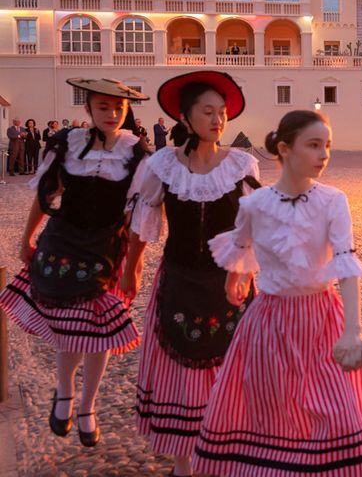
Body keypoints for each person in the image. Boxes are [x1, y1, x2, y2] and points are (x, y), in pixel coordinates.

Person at [192, 110, 362, 476]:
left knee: (338, 411)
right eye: (313, 145)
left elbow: (345, 262)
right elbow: (241, 246)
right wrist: (237, 278)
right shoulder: (254, 204)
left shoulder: (333, 200)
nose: (323, 154)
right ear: (284, 149)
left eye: (327, 146)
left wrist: (353, 329)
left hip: (322, 319)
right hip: (270, 324)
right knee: (274, 414)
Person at [0, 78, 149, 447]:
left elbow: (143, 214)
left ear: (127, 111)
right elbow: (46, 192)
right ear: (88, 109)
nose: (112, 114)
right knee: (70, 329)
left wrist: (134, 267)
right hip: (64, 241)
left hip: (108, 248)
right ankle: (64, 392)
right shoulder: (68, 143)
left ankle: (89, 405)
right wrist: (26, 238)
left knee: (100, 334)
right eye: (103, 108)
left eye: (119, 108)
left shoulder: (136, 152)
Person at [125, 71, 259, 477]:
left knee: (228, 374)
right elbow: (143, 222)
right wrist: (131, 268)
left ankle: (222, 457)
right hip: (179, 279)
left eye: (222, 113)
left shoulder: (241, 164)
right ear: (185, 117)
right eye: (208, 111)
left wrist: (248, 273)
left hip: (228, 284)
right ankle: (184, 465)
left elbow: (255, 226)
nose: (218, 120)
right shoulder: (163, 164)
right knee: (180, 375)